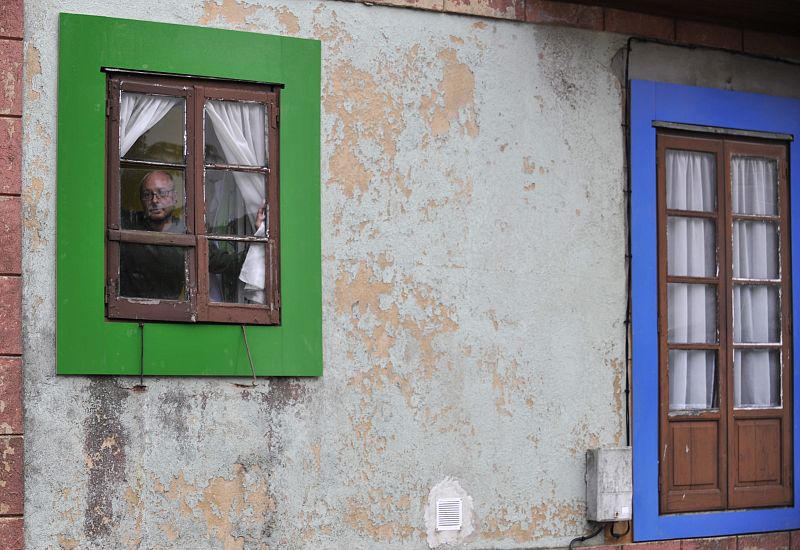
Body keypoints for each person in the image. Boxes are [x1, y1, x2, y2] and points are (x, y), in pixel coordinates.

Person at [119, 171, 264, 301]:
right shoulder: (127, 224)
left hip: (168, 313)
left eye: (162, 193)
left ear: (175, 198)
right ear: (141, 199)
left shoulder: (187, 232)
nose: (155, 200)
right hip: (127, 312)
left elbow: (229, 264)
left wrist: (260, 235)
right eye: (147, 194)